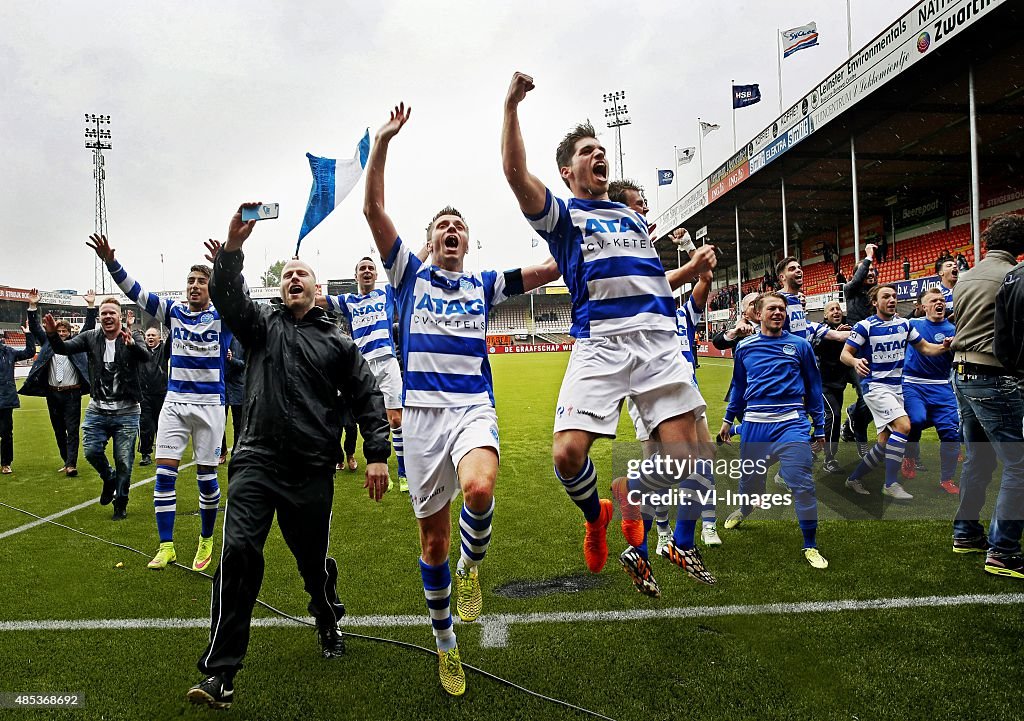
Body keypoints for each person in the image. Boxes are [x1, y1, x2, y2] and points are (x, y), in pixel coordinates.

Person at [366, 102, 560, 696]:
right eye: (442, 227)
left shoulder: (482, 284)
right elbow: (374, 210)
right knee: (432, 542)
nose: (452, 231)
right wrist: (382, 143)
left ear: (469, 244)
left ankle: (474, 567)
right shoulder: (408, 276)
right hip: (421, 420)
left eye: (460, 227)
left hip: (472, 407)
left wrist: (599, 243)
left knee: (480, 488)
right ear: (428, 242)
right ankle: (446, 643)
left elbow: (548, 269)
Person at [503, 72, 715, 602]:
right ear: (567, 170)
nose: (600, 156)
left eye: (603, 149)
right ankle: (597, 513)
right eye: (588, 151)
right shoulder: (564, 216)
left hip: (658, 342)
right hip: (600, 341)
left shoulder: (632, 217)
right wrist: (511, 107)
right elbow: (514, 174)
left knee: (690, 461)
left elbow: (649, 278)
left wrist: (689, 271)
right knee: (567, 456)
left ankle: (639, 505)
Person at [187, 204, 391, 710]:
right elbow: (229, 300)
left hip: (310, 470)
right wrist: (233, 252)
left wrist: (377, 453)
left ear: (317, 290)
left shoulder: (338, 342)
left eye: (302, 273)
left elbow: (367, 395)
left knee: (310, 565)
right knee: (237, 555)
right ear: (280, 289)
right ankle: (221, 673)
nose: (293, 278)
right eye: (286, 275)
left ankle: (326, 614)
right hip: (255, 462)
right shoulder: (261, 327)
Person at [91, 233, 230, 572]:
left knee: (206, 479)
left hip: (210, 405)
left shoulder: (224, 314)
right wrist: (111, 262)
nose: (194, 286)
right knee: (164, 475)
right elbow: (136, 292)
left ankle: (206, 538)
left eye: (201, 281)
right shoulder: (174, 312)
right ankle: (166, 545)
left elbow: (234, 293)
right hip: (175, 403)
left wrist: (223, 267)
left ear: (211, 287)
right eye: (190, 281)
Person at [718, 292, 828, 568]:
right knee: (750, 486)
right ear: (758, 313)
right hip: (755, 426)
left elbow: (814, 388)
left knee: (802, 484)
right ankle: (745, 508)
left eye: (782, 309)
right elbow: (739, 388)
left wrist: (820, 426)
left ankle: (810, 545)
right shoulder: (745, 347)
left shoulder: (800, 346)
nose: (778, 312)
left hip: (792, 423)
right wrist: (728, 419)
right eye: (772, 308)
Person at [950, 213, 1024, 578]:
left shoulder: (965, 277)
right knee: (1019, 464)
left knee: (977, 460)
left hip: (960, 373)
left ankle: (966, 532)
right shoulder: (1011, 276)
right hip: (993, 374)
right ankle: (1004, 550)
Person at [319, 254, 423, 492]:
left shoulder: (386, 294)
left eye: (371, 268)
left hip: (387, 362)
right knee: (356, 418)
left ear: (376, 275)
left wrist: (426, 249)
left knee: (395, 419)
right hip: (361, 366)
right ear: (356, 275)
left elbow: (408, 271)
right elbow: (316, 300)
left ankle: (404, 472)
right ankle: (348, 459)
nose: (367, 271)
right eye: (362, 268)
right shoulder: (348, 300)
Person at [840, 284, 952, 500]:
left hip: (896, 388)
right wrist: (854, 361)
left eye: (894, 296)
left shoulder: (904, 325)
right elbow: (845, 353)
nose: (892, 300)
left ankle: (853, 478)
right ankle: (890, 484)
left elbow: (927, 348)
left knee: (884, 443)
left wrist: (945, 346)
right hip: (875, 388)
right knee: (904, 426)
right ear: (875, 302)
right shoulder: (865, 326)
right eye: (886, 297)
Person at [43, 298, 148, 518]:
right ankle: (108, 478)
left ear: (120, 316)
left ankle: (121, 502)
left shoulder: (133, 335)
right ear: (99, 317)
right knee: (91, 451)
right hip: (98, 409)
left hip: (127, 411)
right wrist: (52, 334)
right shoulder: (91, 337)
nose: (108, 316)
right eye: (104, 313)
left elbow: (146, 355)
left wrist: (131, 345)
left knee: (124, 460)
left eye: (112, 313)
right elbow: (63, 348)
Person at [22, 289, 97, 477]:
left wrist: (90, 306)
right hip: (52, 393)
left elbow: (88, 327)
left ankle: (71, 464)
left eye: (65, 331)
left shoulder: (77, 346)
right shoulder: (48, 344)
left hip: (72, 393)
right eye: (59, 331)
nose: (62, 334)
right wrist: (32, 306)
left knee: (72, 430)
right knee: (58, 430)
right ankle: (66, 460)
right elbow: (36, 328)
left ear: (70, 333)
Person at [902, 287, 960, 495]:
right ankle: (909, 456)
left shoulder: (954, 330)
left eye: (942, 300)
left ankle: (947, 479)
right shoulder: (912, 325)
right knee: (915, 420)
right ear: (922, 306)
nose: (939, 303)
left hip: (941, 386)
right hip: (913, 384)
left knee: (951, 434)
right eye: (933, 300)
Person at [841, 243, 879, 456]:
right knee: (868, 396)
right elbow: (857, 279)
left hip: (877, 352)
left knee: (879, 397)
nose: (871, 273)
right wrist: (868, 258)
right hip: (856, 353)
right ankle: (860, 437)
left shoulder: (876, 296)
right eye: (867, 270)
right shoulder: (850, 289)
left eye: (874, 271)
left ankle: (852, 418)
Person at [814, 300, 849, 474]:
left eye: (838, 309)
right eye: (832, 309)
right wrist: (835, 334)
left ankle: (812, 444)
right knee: (834, 416)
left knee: (826, 419)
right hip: (821, 384)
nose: (836, 311)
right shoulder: (821, 331)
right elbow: (816, 348)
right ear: (825, 315)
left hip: (838, 384)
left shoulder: (850, 328)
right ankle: (829, 459)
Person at [0, 316, 37, 475]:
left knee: (6, 433)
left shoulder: (8, 351)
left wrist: (29, 334)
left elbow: (29, 352)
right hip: (6, 397)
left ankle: (6, 463)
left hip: (5, 399)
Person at [137, 326, 168, 467]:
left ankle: (163, 452)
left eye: (153, 335)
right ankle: (146, 454)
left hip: (161, 393)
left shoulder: (164, 350)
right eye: (148, 335)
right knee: (146, 424)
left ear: (159, 338)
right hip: (144, 394)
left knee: (162, 425)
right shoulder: (141, 352)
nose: (150, 337)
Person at [219, 337, 245, 464]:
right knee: (219, 423)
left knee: (238, 424)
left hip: (238, 389)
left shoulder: (242, 341)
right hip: (221, 388)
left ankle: (236, 453)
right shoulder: (219, 339)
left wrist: (231, 359)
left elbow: (244, 364)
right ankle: (222, 451)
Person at [935, 256, 959, 320]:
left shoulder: (965, 288)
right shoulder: (935, 293)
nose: (954, 266)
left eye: (955, 265)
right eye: (949, 266)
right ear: (941, 272)